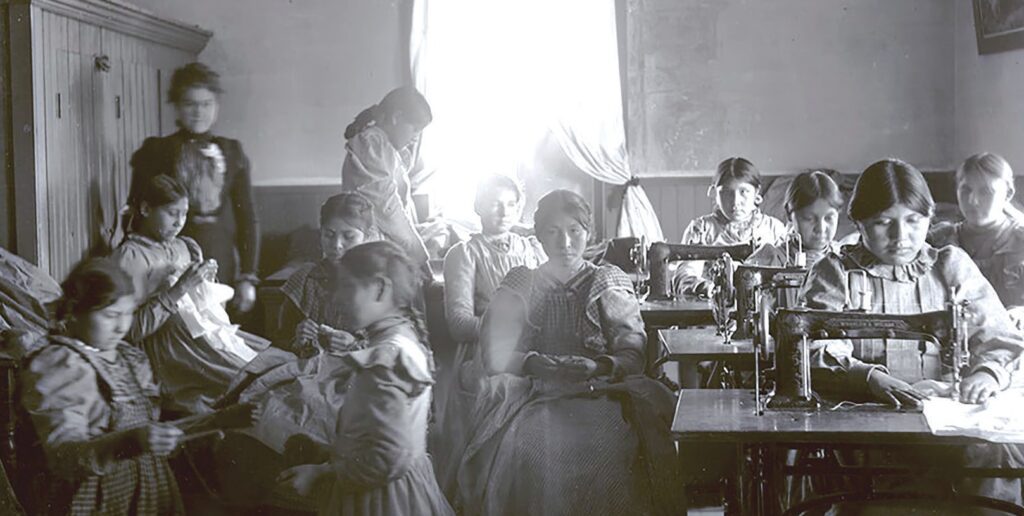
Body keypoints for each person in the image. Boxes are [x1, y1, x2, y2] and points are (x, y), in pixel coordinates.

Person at [801, 158, 1024, 513]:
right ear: (859, 223)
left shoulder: (951, 265)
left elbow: (999, 338)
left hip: (948, 424)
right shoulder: (835, 273)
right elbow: (814, 345)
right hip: (865, 424)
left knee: (992, 461)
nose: (900, 237)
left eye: (914, 221)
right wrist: (869, 377)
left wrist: (987, 372)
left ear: (929, 218)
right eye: (882, 223)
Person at [454, 190, 679, 515]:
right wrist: (534, 363)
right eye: (553, 232)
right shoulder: (522, 283)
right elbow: (495, 355)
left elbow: (632, 353)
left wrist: (599, 365)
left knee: (611, 446)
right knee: (530, 449)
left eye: (575, 231)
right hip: (534, 393)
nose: (565, 243)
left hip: (602, 391)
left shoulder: (606, 280)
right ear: (539, 237)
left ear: (588, 234)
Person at [277, 241, 453, 515]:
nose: (336, 299)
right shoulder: (403, 337)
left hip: (382, 499)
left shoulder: (386, 359)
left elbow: (388, 458)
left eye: (347, 287)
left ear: (381, 289)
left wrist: (324, 473)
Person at [20, 258, 184, 515]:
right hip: (95, 499)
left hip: (146, 492)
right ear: (74, 312)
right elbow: (64, 457)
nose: (121, 326)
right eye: (110, 315)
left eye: (128, 313)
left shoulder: (128, 357)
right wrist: (128, 442)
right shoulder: (62, 365)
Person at [435, 174, 543, 491]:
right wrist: (506, 330)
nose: (503, 211)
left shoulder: (532, 248)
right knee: (499, 393)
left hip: (536, 345)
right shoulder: (465, 253)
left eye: (511, 204)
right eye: (494, 204)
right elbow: (458, 323)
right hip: (485, 352)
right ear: (478, 207)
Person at [112, 174, 255, 415]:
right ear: (146, 209)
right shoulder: (130, 258)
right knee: (248, 380)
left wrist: (206, 281)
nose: (179, 222)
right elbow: (130, 332)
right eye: (172, 213)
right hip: (174, 353)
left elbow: (202, 306)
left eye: (184, 213)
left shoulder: (184, 246)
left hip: (204, 340)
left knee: (268, 366)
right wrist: (179, 290)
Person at [129, 62, 260, 314]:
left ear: (216, 106)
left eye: (206, 104)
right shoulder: (156, 151)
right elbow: (138, 211)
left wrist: (247, 276)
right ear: (177, 107)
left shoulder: (232, 152)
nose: (199, 112)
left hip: (219, 258)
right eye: (190, 104)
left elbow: (248, 218)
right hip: (168, 261)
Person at [341, 87, 433, 274]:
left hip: (386, 246)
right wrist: (418, 256)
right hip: (372, 250)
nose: (416, 137)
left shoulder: (387, 149)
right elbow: (386, 206)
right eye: (414, 128)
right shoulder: (372, 144)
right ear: (396, 117)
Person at [929, 152, 1024, 329]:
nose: (973, 201)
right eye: (966, 190)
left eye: (986, 192)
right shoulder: (938, 240)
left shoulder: (1020, 242)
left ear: (1008, 194)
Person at [675, 157, 788, 296]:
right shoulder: (702, 229)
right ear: (714, 193)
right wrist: (703, 287)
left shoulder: (774, 229)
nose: (735, 202)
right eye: (727, 192)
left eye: (744, 192)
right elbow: (685, 273)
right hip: (710, 309)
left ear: (756, 192)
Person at [748, 170, 844, 268]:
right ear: (789, 214)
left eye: (829, 218)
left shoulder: (844, 258)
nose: (820, 229)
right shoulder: (771, 259)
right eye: (809, 218)